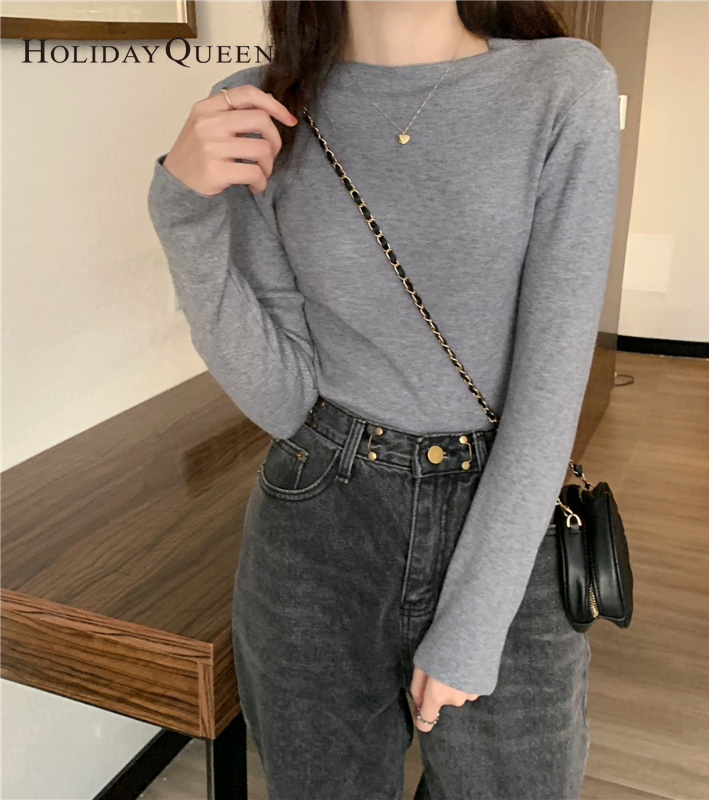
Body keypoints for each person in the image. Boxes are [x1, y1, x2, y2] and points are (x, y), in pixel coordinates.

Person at [147, 1, 620, 797]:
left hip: (504, 515)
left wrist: (474, 620)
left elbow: (552, 380)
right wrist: (181, 210)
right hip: (319, 519)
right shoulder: (260, 108)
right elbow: (284, 400)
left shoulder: (561, 84)